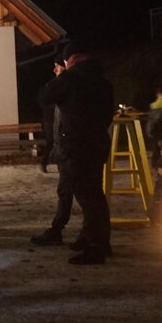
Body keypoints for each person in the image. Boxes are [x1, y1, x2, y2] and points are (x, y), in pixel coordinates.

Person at [37, 42, 115, 265]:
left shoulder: (70, 79)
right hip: (98, 144)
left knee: (88, 199)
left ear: (70, 59)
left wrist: (61, 77)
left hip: (76, 146)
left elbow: (44, 96)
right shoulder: (103, 82)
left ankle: (95, 247)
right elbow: (107, 116)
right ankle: (100, 242)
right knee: (95, 196)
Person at [31, 59, 77, 246]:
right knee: (73, 191)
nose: (55, 69)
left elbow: (44, 95)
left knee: (78, 192)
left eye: (58, 66)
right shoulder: (75, 84)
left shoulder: (69, 84)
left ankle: (61, 230)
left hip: (71, 147)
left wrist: (62, 77)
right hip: (67, 145)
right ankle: (87, 234)